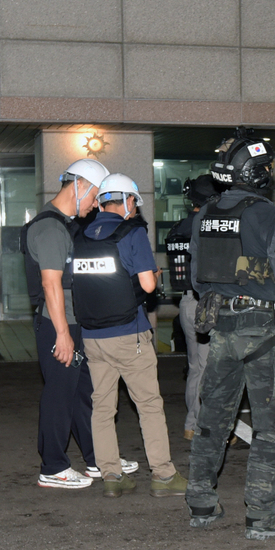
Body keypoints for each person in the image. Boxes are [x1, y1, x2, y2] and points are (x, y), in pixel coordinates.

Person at [185, 129, 275, 540]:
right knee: (269, 424)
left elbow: (195, 278)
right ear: (257, 173)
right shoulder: (264, 214)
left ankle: (201, 502)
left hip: (220, 328)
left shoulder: (205, 214)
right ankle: (261, 514)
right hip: (261, 329)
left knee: (212, 419)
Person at [73, 173, 187, 498]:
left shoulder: (83, 235)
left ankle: (111, 475)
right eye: (134, 203)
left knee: (102, 406)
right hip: (129, 333)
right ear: (126, 201)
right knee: (149, 404)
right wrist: (152, 273)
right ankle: (164, 475)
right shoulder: (131, 232)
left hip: (93, 334)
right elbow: (149, 286)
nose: (135, 209)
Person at [21, 158, 115, 488]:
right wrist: (62, 334)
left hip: (70, 323)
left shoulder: (61, 225)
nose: (95, 205)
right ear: (80, 187)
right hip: (58, 324)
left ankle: (95, 459)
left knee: (80, 394)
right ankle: (53, 466)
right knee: (60, 395)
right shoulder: (50, 228)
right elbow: (51, 285)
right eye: (94, 197)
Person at [165, 174, 221, 440]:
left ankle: (191, 424)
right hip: (209, 301)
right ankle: (207, 426)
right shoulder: (210, 226)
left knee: (195, 366)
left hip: (187, 302)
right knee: (211, 366)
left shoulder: (178, 227)